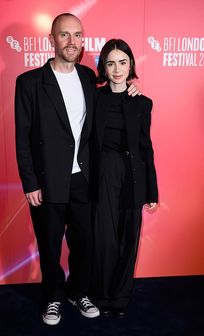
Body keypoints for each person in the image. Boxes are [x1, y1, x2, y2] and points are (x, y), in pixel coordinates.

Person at [15, 13, 140, 326]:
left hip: (84, 180)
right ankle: (53, 297)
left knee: (85, 242)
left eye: (77, 35)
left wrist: (132, 93)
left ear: (83, 40)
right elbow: (22, 137)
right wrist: (30, 182)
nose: (72, 42)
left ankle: (77, 291)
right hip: (47, 182)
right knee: (50, 244)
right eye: (65, 35)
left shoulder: (87, 76)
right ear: (52, 40)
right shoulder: (29, 83)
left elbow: (114, 93)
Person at [90, 39, 158, 318]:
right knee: (105, 238)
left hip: (134, 175)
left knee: (129, 238)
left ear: (131, 64)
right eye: (110, 63)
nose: (117, 69)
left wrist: (152, 191)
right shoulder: (93, 97)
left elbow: (146, 147)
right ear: (103, 68)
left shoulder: (143, 103)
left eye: (122, 62)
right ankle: (102, 295)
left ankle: (120, 296)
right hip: (103, 172)